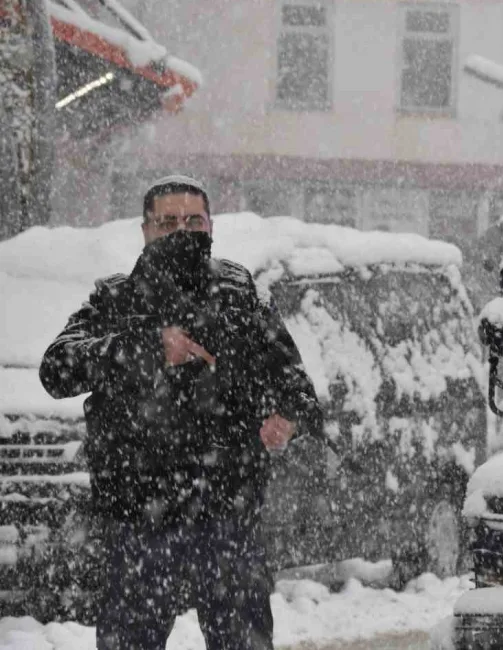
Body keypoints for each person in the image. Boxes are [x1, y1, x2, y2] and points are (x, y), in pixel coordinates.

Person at [39, 176, 323, 649]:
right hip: (140, 517)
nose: (182, 231)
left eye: (193, 220)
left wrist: (286, 420)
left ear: (211, 225)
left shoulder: (239, 296)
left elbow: (294, 384)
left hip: (227, 516)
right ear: (146, 229)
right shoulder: (118, 300)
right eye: (168, 221)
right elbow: (57, 369)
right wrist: (148, 349)